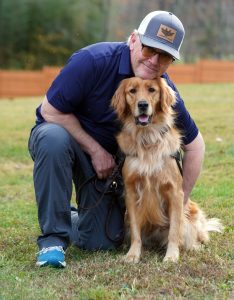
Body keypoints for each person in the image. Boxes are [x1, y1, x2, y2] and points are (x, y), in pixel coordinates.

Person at [28, 10, 205, 268]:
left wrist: (180, 202)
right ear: (134, 40)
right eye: (148, 49)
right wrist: (95, 150)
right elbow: (49, 111)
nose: (155, 60)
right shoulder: (92, 61)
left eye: (165, 56)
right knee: (52, 138)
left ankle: (69, 216)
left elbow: (196, 145)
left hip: (105, 171)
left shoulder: (163, 88)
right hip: (67, 145)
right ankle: (53, 240)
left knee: (101, 241)